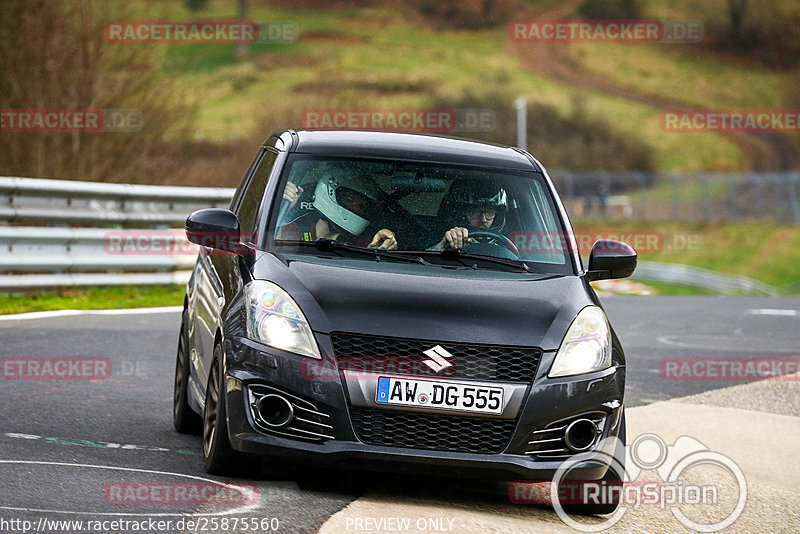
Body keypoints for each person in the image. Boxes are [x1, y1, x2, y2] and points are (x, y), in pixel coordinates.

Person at [277, 175, 398, 250]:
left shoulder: (358, 243)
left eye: (363, 206)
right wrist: (283, 207)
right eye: (350, 199)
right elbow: (272, 249)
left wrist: (386, 239)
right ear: (330, 193)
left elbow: (374, 249)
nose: (357, 209)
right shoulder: (295, 229)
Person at [431, 179, 508, 251]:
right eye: (475, 212)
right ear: (462, 215)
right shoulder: (443, 237)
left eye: (489, 212)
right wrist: (443, 245)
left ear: (497, 215)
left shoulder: (505, 243)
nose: (483, 219)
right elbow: (423, 260)